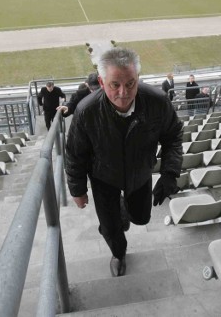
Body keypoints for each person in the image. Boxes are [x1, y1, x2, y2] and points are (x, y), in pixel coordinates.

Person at [65, 48, 183, 278]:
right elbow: (75, 154)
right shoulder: (86, 111)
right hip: (103, 177)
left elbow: (173, 135)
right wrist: (77, 190)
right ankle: (118, 253)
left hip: (140, 172)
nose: (123, 92)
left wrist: (169, 173)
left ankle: (123, 209)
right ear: (101, 81)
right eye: (114, 85)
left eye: (130, 84)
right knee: (111, 228)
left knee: (142, 217)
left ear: (138, 79)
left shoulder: (157, 102)